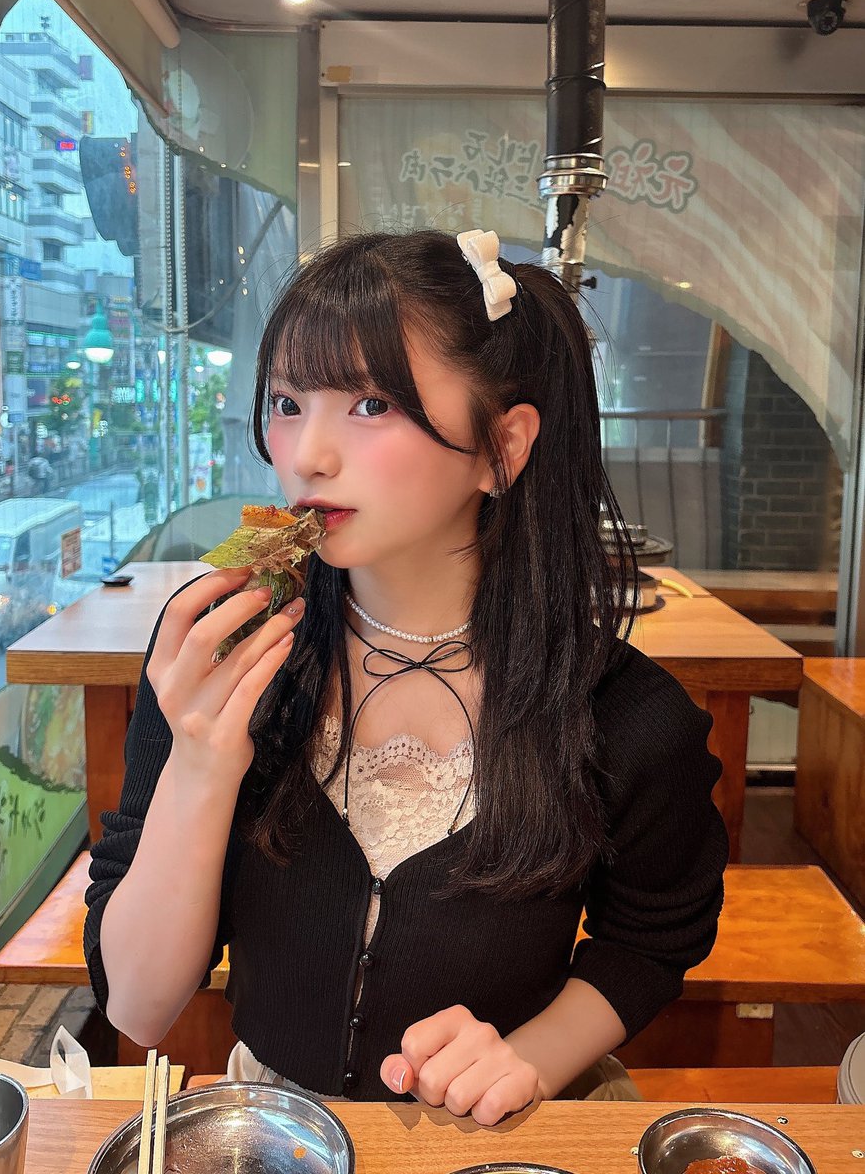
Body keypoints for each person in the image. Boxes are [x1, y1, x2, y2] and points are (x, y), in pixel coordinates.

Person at [84, 230, 728, 1121]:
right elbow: (138, 1006)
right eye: (286, 402)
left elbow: (651, 938)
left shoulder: (625, 714)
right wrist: (201, 761)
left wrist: (529, 1057)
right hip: (275, 1134)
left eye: (371, 404)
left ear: (502, 448)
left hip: (498, 1136)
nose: (305, 455)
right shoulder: (223, 659)